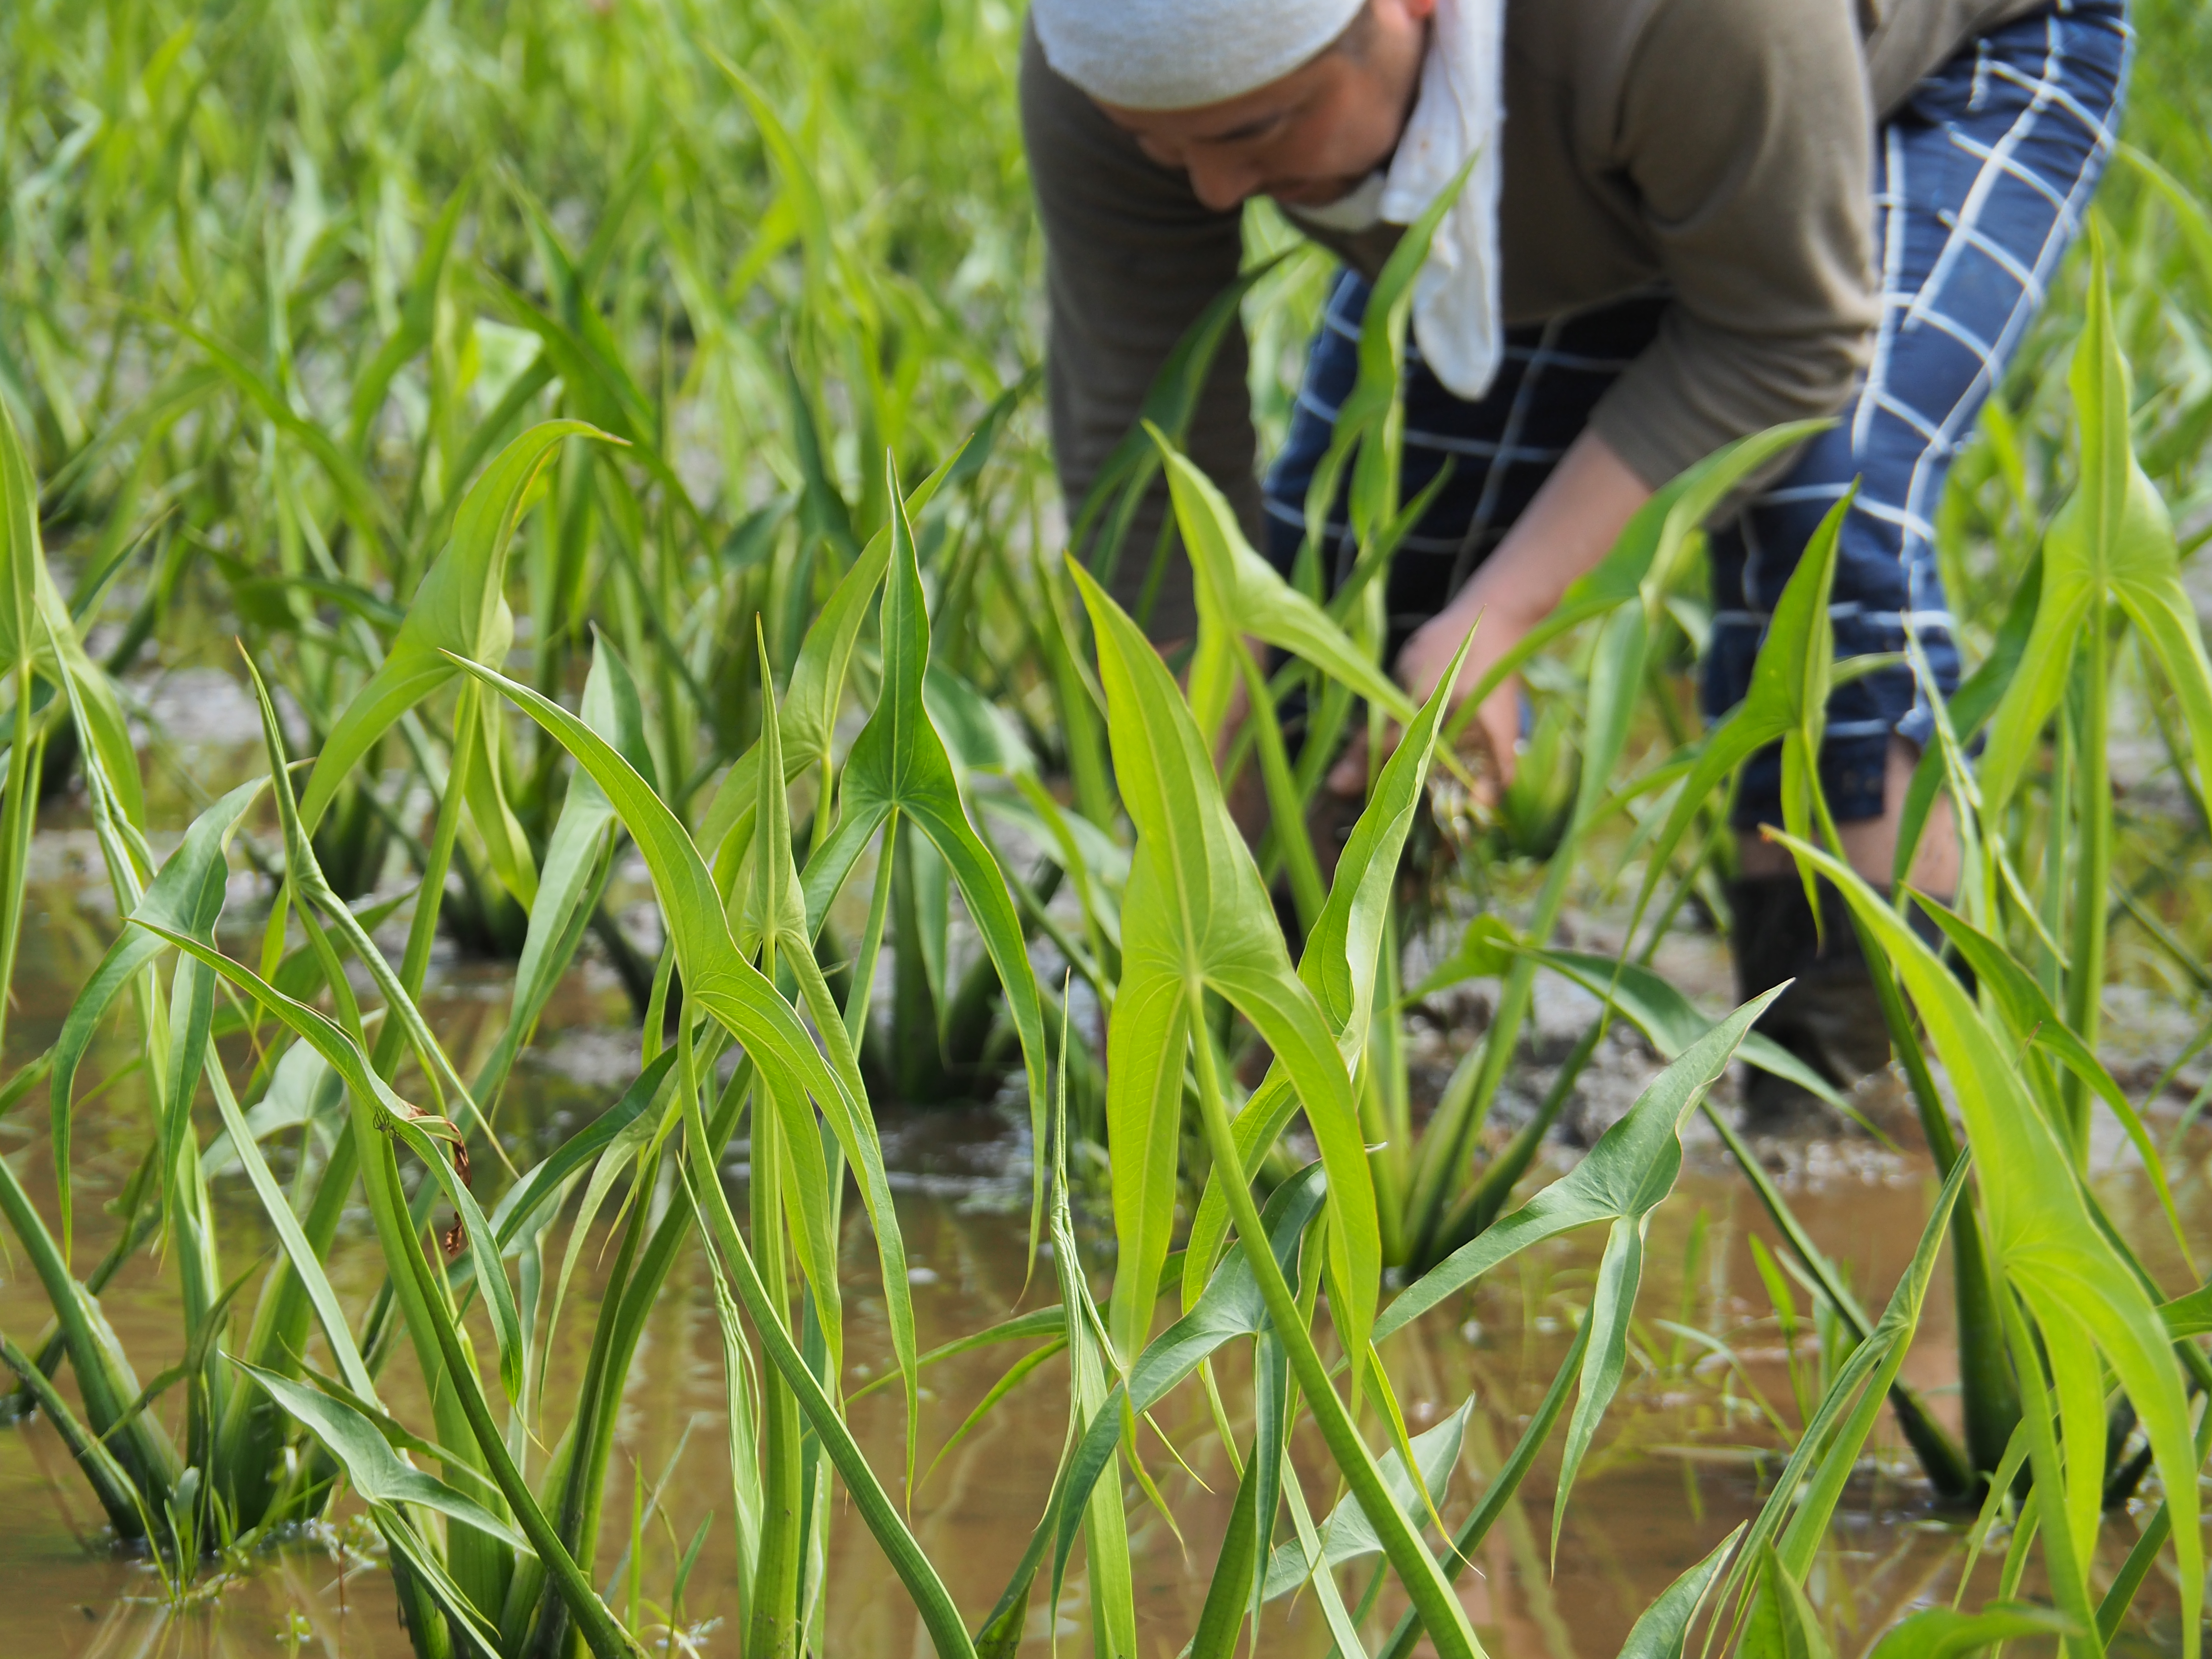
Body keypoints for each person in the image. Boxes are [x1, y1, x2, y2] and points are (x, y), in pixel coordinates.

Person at [1022, 0, 2129, 1116]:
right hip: (1586, 130)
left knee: (1827, 516)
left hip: (1927, 76)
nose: (1211, 189)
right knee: (1352, 620)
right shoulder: (1112, 48)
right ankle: (1270, 1087)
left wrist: (1505, 616)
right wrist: (1204, 798)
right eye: (1164, 147)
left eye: (1259, 130)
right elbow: (1148, 449)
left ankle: (1861, 1128)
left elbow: (1788, 343)